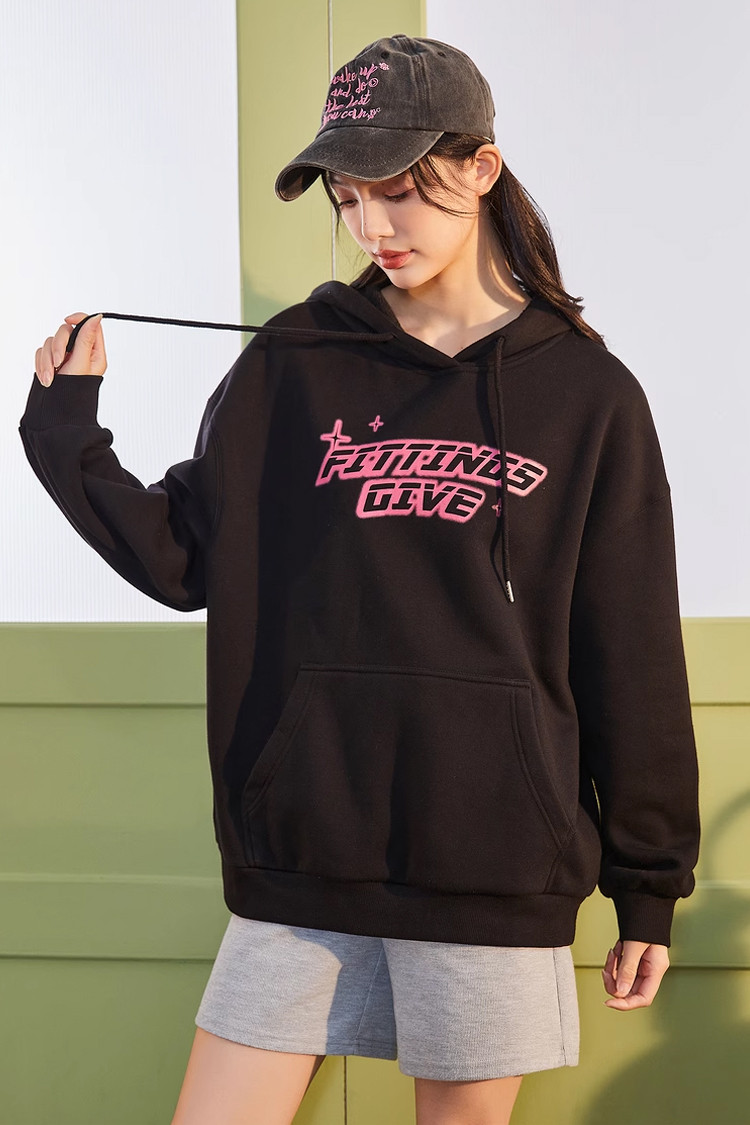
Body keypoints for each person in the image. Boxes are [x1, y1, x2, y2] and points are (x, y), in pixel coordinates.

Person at [21, 33, 700, 1125]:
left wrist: (649, 885)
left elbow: (630, 654)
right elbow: (183, 557)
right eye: (347, 198)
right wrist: (66, 431)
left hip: (492, 868)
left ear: (480, 168)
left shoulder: (588, 395)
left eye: (399, 190)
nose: (373, 226)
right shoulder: (296, 361)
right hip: (302, 862)